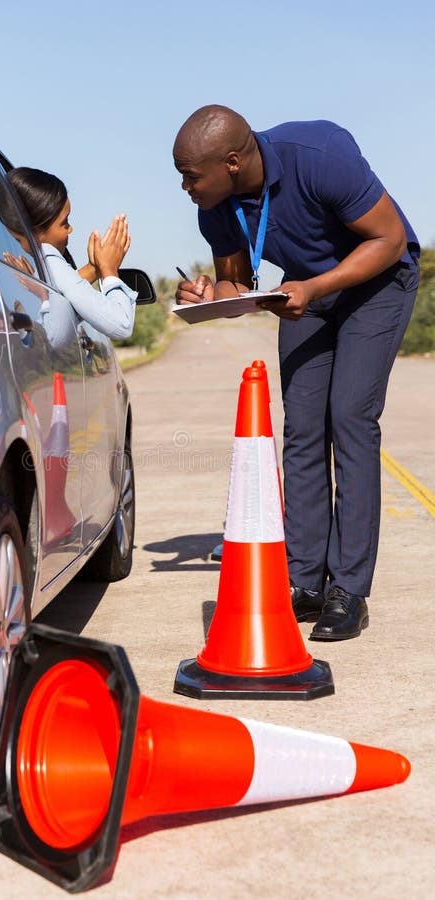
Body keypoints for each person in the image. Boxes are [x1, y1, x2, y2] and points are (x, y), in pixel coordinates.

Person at [173, 105, 420, 641]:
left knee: (350, 415)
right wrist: (208, 295)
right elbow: (237, 285)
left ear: (233, 162)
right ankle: (304, 580)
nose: (185, 187)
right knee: (303, 426)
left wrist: (314, 288)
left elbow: (390, 240)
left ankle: (348, 589)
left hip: (377, 281)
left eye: (191, 176)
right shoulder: (214, 206)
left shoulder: (320, 154)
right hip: (307, 291)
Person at [0, 167, 136, 340]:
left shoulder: (44, 268)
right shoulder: (49, 259)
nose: (70, 229)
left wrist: (94, 268)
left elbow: (66, 293)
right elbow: (122, 325)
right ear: (36, 231)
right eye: (65, 222)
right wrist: (110, 270)